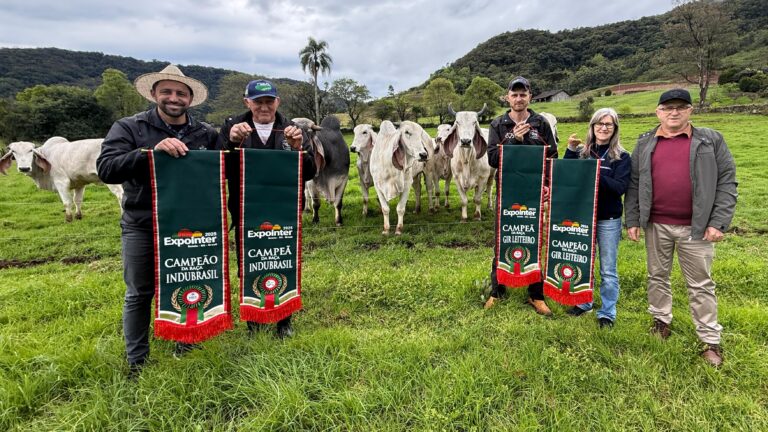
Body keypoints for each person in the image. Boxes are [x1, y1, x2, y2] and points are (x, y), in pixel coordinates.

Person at [96, 65, 220, 376]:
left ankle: (186, 339)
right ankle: (137, 360)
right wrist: (148, 152)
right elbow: (107, 169)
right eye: (166, 91)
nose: (173, 97)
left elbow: (229, 167)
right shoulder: (129, 127)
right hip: (143, 222)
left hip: (190, 225)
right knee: (140, 291)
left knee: (187, 282)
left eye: (181, 93)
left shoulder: (205, 133)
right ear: (154, 94)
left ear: (190, 99)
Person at [625, 89, 737, 367]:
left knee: (700, 284)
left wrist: (717, 222)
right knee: (657, 276)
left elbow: (727, 182)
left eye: (680, 107)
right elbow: (635, 183)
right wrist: (633, 219)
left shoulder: (710, 140)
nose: (673, 112)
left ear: (690, 111)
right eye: (667, 107)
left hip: (695, 227)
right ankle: (661, 321)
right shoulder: (645, 142)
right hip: (656, 223)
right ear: (658, 112)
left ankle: (709, 339)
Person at [218, 79, 316, 339]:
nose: (264, 106)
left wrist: (298, 149)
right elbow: (220, 170)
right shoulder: (232, 127)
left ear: (277, 102)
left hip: (284, 212)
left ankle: (284, 321)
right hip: (246, 212)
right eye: (257, 101)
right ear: (246, 102)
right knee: (249, 265)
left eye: (269, 101)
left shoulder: (293, 129)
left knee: (283, 262)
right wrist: (232, 144)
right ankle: (255, 322)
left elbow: (310, 171)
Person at [486, 76, 558, 315]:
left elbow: (552, 157)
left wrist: (548, 184)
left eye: (523, 94)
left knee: (536, 239)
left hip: (536, 192)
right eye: (514, 94)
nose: (518, 98)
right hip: (507, 191)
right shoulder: (498, 124)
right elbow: (493, 159)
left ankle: (536, 295)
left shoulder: (542, 123)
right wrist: (513, 139)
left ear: (530, 96)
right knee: (503, 238)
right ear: (508, 97)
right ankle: (498, 290)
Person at [563, 108, 631, 328]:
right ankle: (585, 302)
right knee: (583, 261)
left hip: (608, 219)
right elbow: (568, 177)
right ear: (592, 127)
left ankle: (607, 312)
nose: (603, 128)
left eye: (608, 125)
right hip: (583, 216)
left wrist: (595, 172)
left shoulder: (621, 157)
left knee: (608, 269)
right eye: (599, 124)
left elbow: (620, 187)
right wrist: (570, 151)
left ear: (614, 129)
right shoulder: (584, 152)